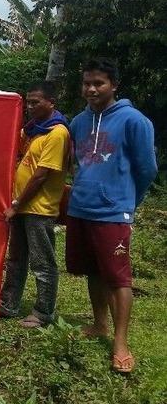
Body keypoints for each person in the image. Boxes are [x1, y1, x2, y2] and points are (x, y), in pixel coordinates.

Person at [65, 58, 157, 374]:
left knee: (119, 278)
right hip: (80, 208)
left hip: (113, 211)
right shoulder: (78, 122)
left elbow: (147, 169)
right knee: (93, 270)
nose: (91, 89)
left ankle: (120, 342)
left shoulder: (134, 121)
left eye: (99, 83)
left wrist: (129, 201)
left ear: (114, 85)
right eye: (86, 83)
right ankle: (99, 324)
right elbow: (79, 163)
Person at [0, 81, 70, 328]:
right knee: (16, 258)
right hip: (19, 206)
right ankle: (9, 304)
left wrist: (16, 205)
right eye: (28, 102)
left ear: (51, 102)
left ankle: (43, 313)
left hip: (38, 209)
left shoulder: (57, 133)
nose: (30, 107)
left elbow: (41, 175)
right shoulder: (32, 130)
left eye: (36, 102)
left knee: (43, 262)